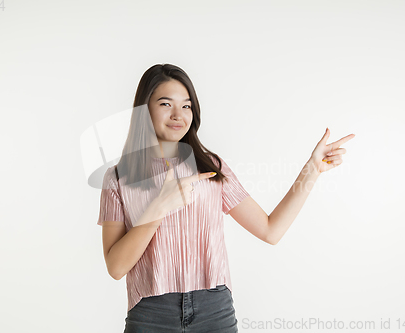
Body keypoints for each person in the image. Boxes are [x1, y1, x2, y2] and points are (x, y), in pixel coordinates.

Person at [96, 64, 355, 332]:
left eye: (186, 106)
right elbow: (116, 267)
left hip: (214, 311)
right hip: (150, 314)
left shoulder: (212, 168)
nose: (178, 115)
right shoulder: (118, 178)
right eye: (165, 104)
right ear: (144, 110)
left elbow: (270, 230)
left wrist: (311, 169)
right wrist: (159, 207)